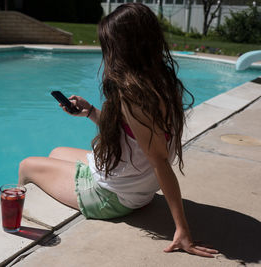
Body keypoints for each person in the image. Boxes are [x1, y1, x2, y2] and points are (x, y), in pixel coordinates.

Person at [18, 3, 218, 258]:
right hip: (132, 185)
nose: (107, 54)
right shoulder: (161, 80)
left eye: (109, 46)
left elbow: (159, 160)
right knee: (56, 152)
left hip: (114, 196)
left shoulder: (132, 94)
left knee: (27, 165)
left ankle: (14, 226)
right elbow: (132, 136)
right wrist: (90, 111)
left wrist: (182, 229)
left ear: (123, 48)